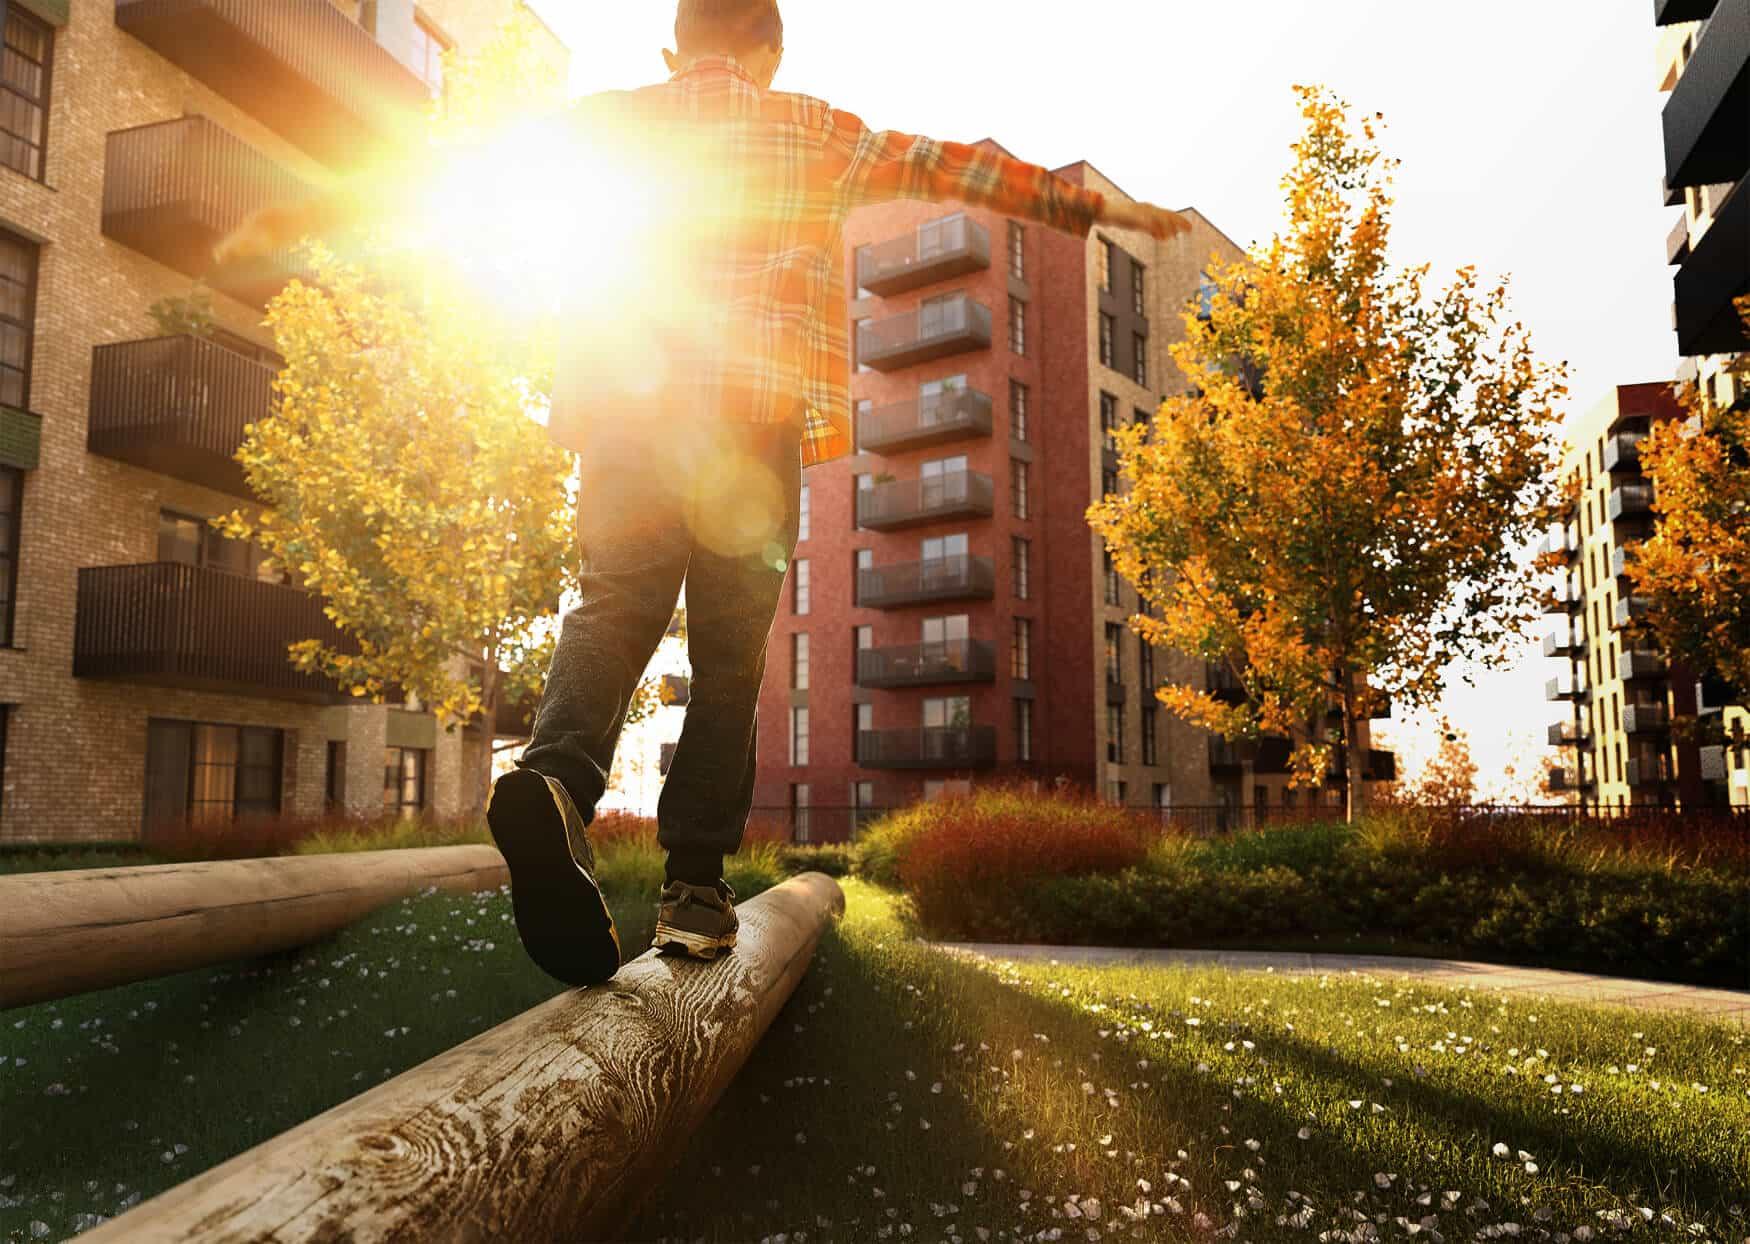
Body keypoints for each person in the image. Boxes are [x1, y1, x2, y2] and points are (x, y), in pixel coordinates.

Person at [215, 0, 1189, 988]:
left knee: (612, 605)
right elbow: (953, 168)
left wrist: (307, 209)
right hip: (747, 431)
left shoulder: (611, 121)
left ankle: (553, 780)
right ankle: (691, 888)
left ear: (673, 50)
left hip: (626, 419)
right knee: (727, 664)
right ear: (769, 54)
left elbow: (454, 162)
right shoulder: (815, 129)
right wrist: (1104, 211)